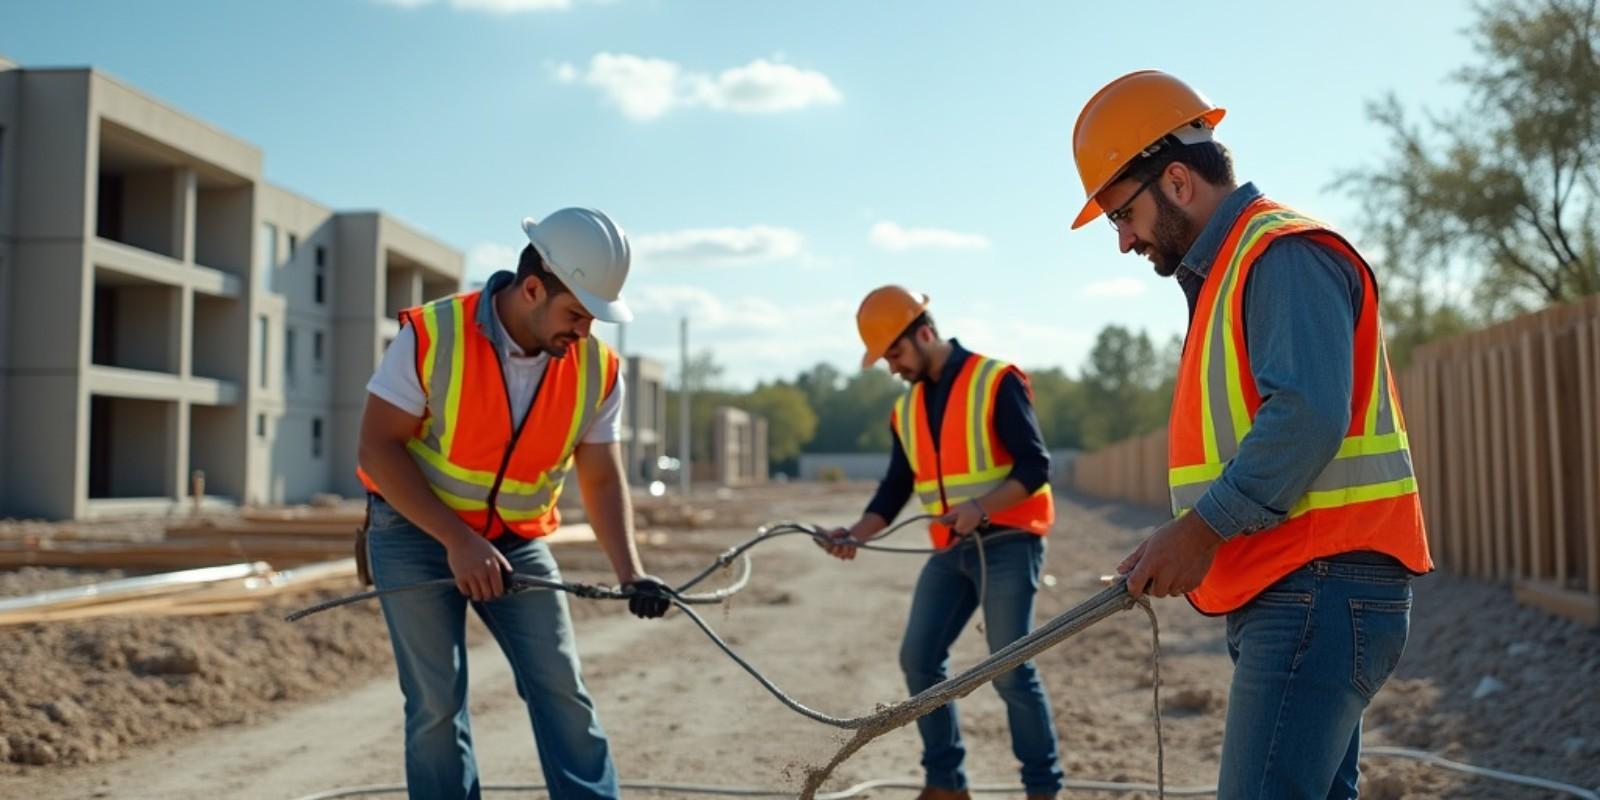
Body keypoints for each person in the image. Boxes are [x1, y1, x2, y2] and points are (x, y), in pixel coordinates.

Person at [1067, 70, 1433, 799]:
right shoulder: (1233, 271)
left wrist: (1199, 532)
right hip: (1302, 589)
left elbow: (1307, 419)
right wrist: (1180, 537)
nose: (1122, 241)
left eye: (1121, 214)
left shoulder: (1281, 254)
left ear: (1176, 180)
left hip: (1320, 591)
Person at [355, 207, 671, 800]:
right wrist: (457, 540)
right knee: (437, 702)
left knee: (562, 688)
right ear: (532, 288)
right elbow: (377, 447)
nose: (583, 332)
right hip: (413, 532)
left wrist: (632, 573)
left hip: (515, 541)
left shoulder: (597, 370)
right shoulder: (433, 334)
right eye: (576, 313)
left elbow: (601, 479)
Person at [817, 285, 1063, 800]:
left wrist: (981, 508)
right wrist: (855, 535)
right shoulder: (904, 411)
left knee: (1009, 666)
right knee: (919, 658)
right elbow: (896, 487)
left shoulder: (997, 381)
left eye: (896, 353)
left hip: (1011, 540)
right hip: (951, 550)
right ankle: (946, 784)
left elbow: (1035, 466)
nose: (893, 367)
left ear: (924, 332)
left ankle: (1043, 790)